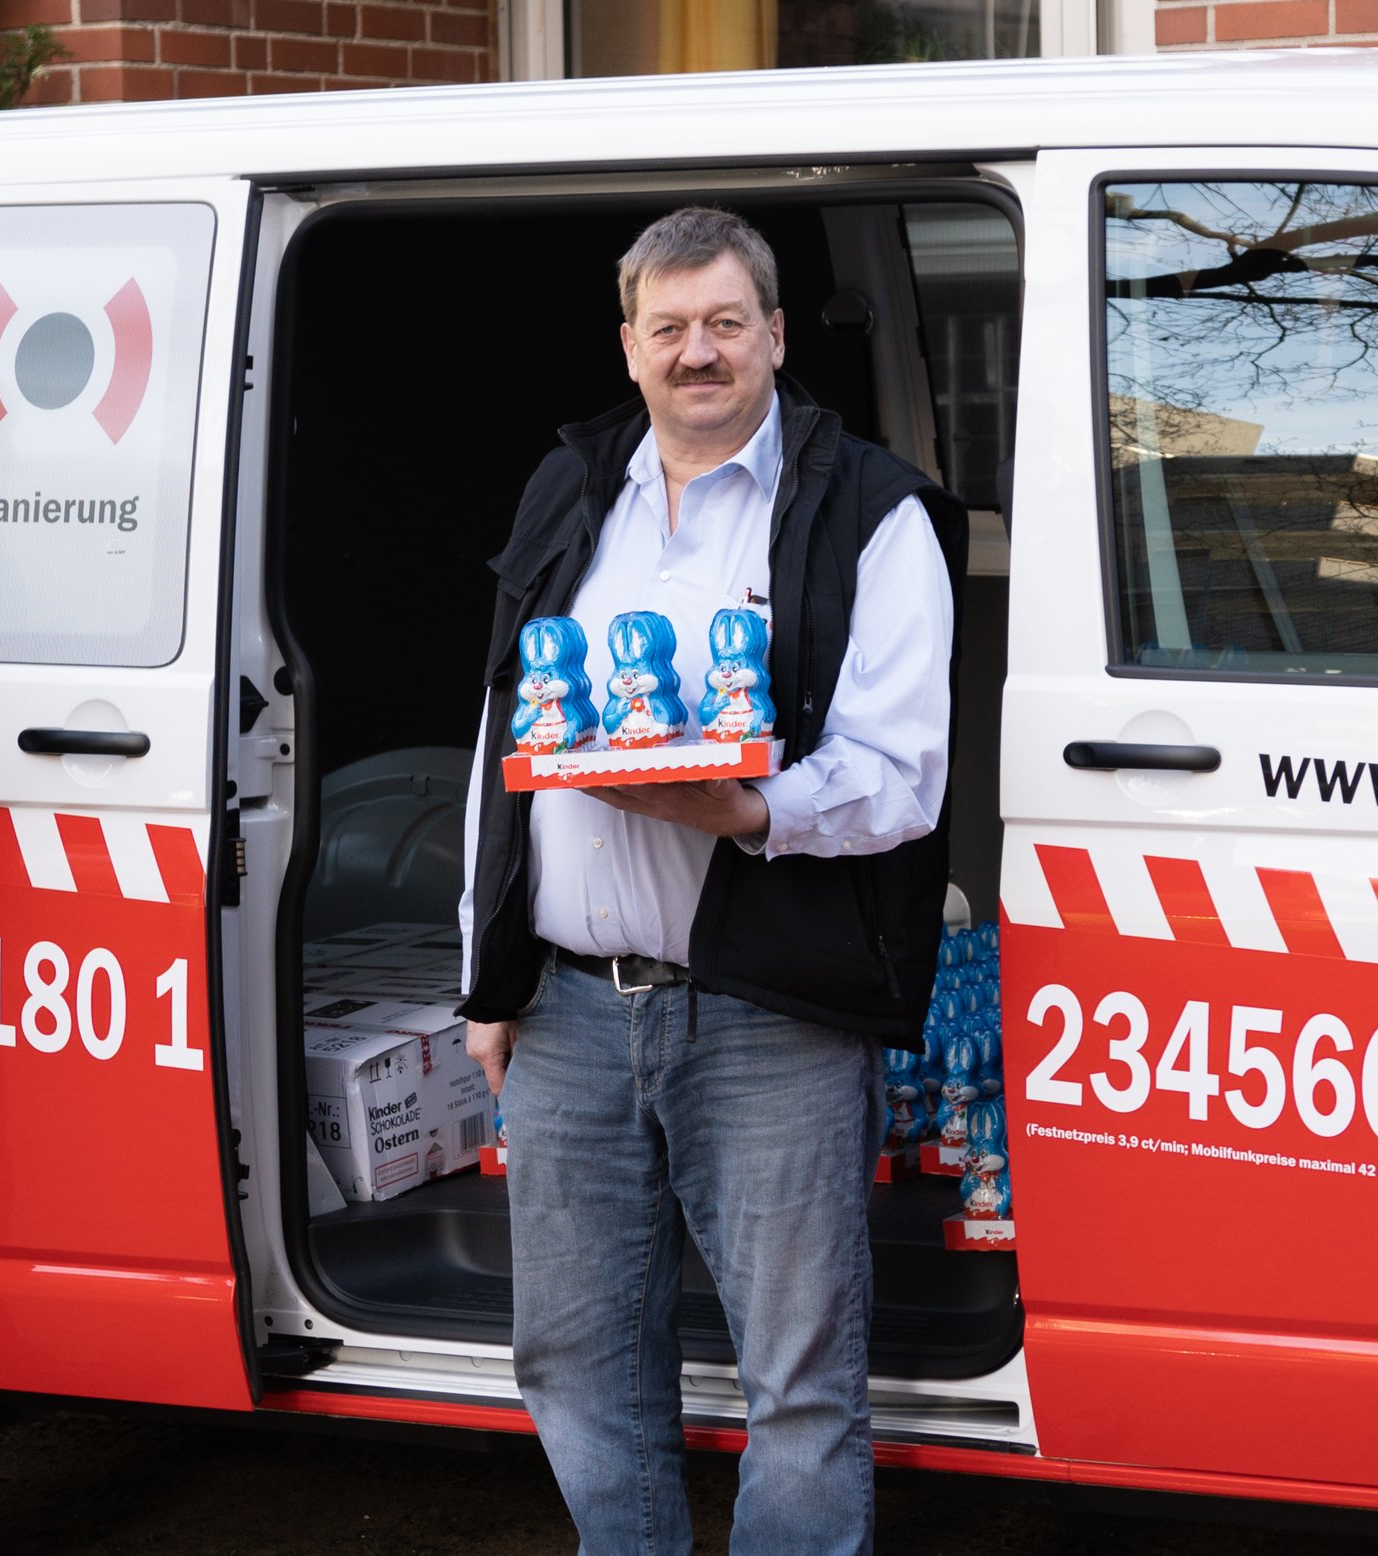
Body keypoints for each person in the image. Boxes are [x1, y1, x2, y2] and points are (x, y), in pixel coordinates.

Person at [457, 206, 961, 1555]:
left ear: (777, 336)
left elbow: (901, 777)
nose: (699, 353)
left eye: (726, 323)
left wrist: (747, 812)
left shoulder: (874, 511)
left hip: (771, 1014)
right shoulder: (570, 492)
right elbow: (498, 740)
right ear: (629, 347)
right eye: (670, 328)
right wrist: (487, 978)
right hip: (567, 1012)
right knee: (574, 1361)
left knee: (798, 1384)